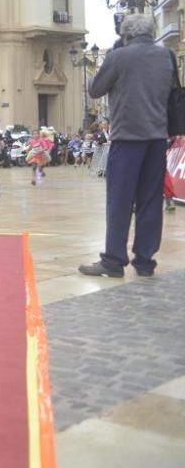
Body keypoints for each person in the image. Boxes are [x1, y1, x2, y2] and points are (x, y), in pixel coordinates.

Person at [79, 14, 174, 278]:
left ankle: (113, 260)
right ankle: (144, 261)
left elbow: (96, 90)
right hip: (157, 139)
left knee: (120, 201)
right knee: (151, 201)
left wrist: (113, 54)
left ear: (125, 34)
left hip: (127, 139)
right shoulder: (166, 56)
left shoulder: (119, 56)